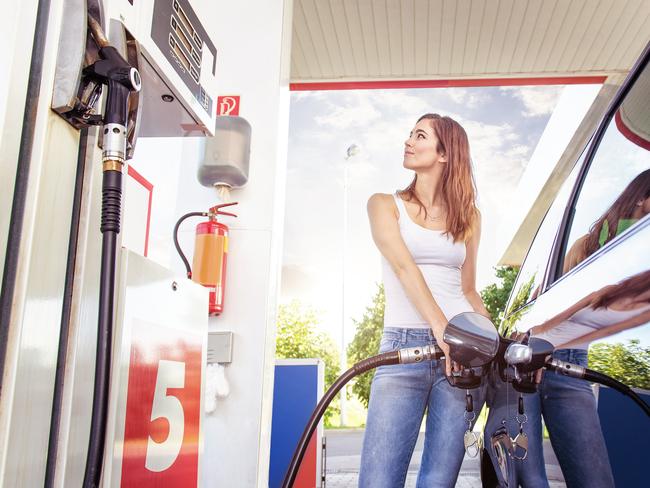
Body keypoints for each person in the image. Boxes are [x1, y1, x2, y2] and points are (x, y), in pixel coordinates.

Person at [358, 113, 491, 488]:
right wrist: (441, 331)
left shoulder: (470, 218)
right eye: (410, 134)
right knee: (379, 481)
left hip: (462, 354)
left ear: (445, 153)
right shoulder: (384, 205)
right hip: (404, 349)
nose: (408, 141)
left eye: (419, 135)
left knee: (438, 481)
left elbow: (468, 290)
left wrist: (494, 342)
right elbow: (404, 269)